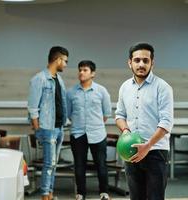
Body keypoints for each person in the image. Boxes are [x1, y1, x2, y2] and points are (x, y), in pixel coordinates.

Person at [115, 43, 174, 200]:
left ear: (152, 63)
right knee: (136, 197)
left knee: (155, 197)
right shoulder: (124, 87)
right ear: (130, 62)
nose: (141, 64)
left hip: (156, 152)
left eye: (145, 60)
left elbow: (166, 122)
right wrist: (126, 132)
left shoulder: (163, 87)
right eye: (137, 60)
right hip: (132, 152)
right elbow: (119, 115)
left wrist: (147, 146)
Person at [28, 46, 69, 200]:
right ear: (57, 59)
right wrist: (38, 128)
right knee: (48, 164)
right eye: (64, 61)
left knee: (53, 164)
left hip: (58, 127)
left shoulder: (59, 79)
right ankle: (45, 195)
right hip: (47, 128)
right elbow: (33, 107)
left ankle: (50, 194)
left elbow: (60, 102)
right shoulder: (39, 79)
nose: (65, 64)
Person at [67, 60, 112, 200]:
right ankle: (81, 194)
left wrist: (95, 124)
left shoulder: (101, 91)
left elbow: (106, 114)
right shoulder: (71, 92)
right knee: (79, 165)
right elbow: (69, 113)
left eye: (85, 70)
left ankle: (104, 192)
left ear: (93, 73)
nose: (81, 72)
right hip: (78, 133)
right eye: (80, 70)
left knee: (101, 165)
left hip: (97, 133)